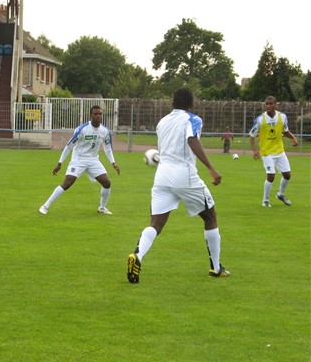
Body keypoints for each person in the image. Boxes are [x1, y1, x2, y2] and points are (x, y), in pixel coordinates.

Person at [126, 87, 229, 284]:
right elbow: (191, 140)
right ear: (191, 104)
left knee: (156, 223)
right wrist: (211, 167)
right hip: (185, 175)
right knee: (210, 215)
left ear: (172, 104)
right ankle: (216, 268)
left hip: (162, 176)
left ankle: (137, 255)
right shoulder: (193, 119)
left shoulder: (162, 122)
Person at [38, 105, 120, 215]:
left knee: (107, 182)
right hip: (79, 159)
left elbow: (108, 148)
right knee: (68, 182)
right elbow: (69, 146)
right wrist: (59, 163)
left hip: (93, 160)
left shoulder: (104, 131)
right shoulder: (82, 130)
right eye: (95, 114)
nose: (98, 116)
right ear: (91, 115)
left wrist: (113, 163)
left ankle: (102, 208)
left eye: (100, 114)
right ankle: (45, 206)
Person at [249, 96, 298, 207]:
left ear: (276, 104)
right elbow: (252, 135)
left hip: (279, 151)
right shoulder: (260, 119)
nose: (269, 106)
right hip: (267, 153)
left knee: (287, 175)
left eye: (271, 104)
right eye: (267, 104)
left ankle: (280, 194)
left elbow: (285, 131)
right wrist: (254, 150)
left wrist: (293, 138)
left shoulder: (282, 117)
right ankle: (265, 200)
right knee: (271, 175)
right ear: (265, 105)